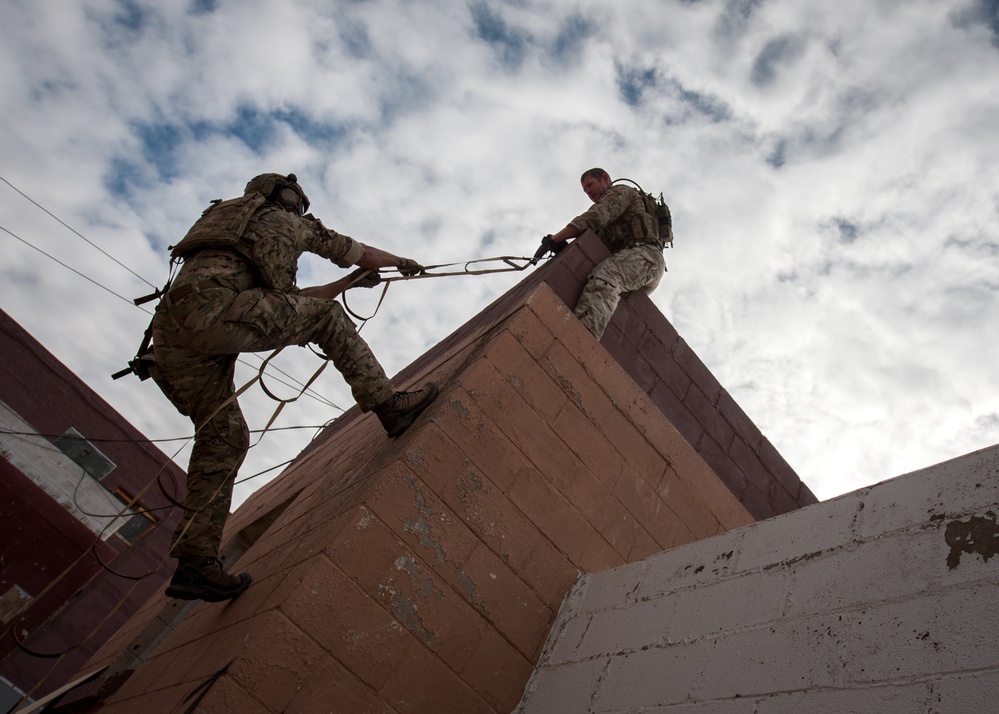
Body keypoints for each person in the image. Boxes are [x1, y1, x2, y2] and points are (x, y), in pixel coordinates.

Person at [150, 172, 438, 602]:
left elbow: (287, 303)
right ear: (283, 197)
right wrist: (400, 261)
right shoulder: (286, 221)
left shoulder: (225, 223)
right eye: (298, 201)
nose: (301, 209)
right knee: (328, 319)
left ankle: (195, 561)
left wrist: (347, 286)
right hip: (219, 316)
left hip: (171, 336)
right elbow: (352, 253)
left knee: (222, 437)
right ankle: (388, 404)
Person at [535, 168, 667, 339]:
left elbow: (595, 217)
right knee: (601, 293)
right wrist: (562, 247)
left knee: (605, 277)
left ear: (605, 179)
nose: (588, 192)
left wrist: (556, 238)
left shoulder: (621, 192)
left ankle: (579, 345)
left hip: (645, 256)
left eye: (590, 185)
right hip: (637, 264)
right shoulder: (610, 224)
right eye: (585, 190)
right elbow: (592, 245)